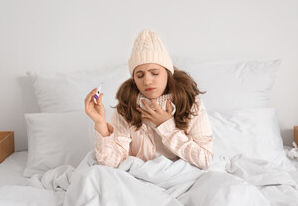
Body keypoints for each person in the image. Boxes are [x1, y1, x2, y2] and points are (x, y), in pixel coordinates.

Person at [84, 29, 213, 170]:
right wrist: (101, 123)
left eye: (155, 73)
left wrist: (166, 126)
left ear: (168, 73)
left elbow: (205, 159)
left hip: (181, 176)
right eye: (139, 76)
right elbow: (111, 163)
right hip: (138, 179)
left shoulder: (191, 104)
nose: (147, 81)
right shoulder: (127, 107)